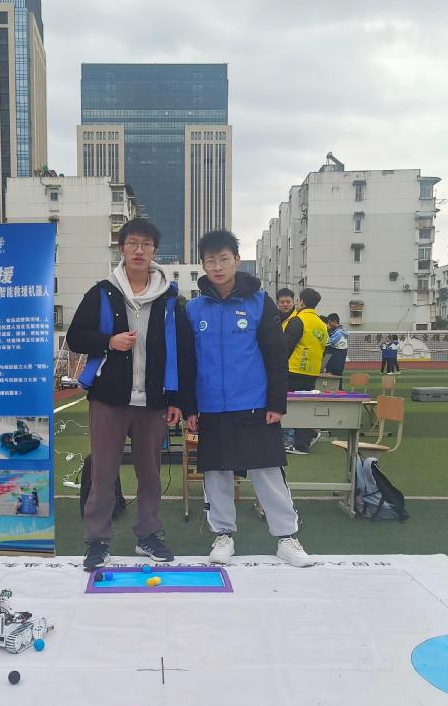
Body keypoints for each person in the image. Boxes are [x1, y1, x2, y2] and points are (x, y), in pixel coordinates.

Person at [65, 216, 195, 571]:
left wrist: (177, 400)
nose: (139, 250)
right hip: (109, 399)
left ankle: (147, 535)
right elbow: (76, 337)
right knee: (103, 472)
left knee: (150, 473)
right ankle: (97, 541)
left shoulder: (169, 299)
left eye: (146, 244)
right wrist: (109, 341)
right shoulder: (102, 291)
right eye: (132, 243)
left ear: (154, 251)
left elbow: (182, 351)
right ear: (121, 248)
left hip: (153, 401)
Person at [186, 229, 314, 568]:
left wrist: (276, 403)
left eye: (223, 259)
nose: (217, 266)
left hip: (255, 403)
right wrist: (190, 407)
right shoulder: (194, 308)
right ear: (203, 264)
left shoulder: (259, 302)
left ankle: (286, 538)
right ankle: (223, 535)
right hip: (211, 405)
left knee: (267, 470)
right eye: (210, 260)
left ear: (237, 261)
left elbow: (275, 354)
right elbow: (188, 361)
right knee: (216, 472)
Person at [282, 287, 325, 455]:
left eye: (298, 300)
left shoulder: (298, 320)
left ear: (302, 302)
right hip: (312, 371)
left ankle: (300, 444)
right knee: (305, 405)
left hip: (294, 369)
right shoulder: (321, 324)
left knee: (291, 406)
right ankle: (309, 435)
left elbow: (286, 345)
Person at [323, 313, 349, 389]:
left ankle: (339, 390)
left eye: (329, 322)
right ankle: (339, 390)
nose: (328, 325)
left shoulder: (338, 333)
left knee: (335, 376)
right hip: (338, 356)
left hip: (336, 357)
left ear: (334, 321)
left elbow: (329, 344)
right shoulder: (341, 331)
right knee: (337, 375)